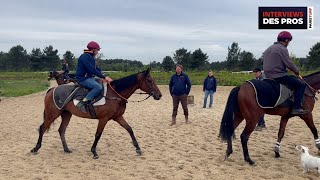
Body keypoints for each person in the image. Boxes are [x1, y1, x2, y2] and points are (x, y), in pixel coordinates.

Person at [263, 31, 307, 115]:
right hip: (278, 76)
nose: (288, 43)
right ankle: (296, 108)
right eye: (289, 41)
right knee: (301, 85)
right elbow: (289, 63)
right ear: (286, 40)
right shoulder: (282, 48)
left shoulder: (269, 48)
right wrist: (297, 71)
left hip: (267, 76)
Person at [75, 41, 113, 113]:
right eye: (97, 50)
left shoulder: (91, 57)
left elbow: (96, 69)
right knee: (98, 87)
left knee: (102, 82)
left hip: (89, 77)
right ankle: (83, 102)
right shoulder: (85, 57)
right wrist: (104, 77)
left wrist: (103, 75)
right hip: (83, 78)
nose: (98, 51)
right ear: (93, 50)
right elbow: (91, 69)